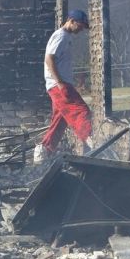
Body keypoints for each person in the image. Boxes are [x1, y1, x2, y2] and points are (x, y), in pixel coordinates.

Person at [34, 9, 93, 163]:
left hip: (60, 83)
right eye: (80, 25)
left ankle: (44, 151)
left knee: (61, 119)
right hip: (59, 85)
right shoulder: (61, 36)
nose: (81, 30)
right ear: (71, 21)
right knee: (82, 111)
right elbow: (49, 58)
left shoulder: (65, 37)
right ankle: (94, 145)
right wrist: (60, 82)